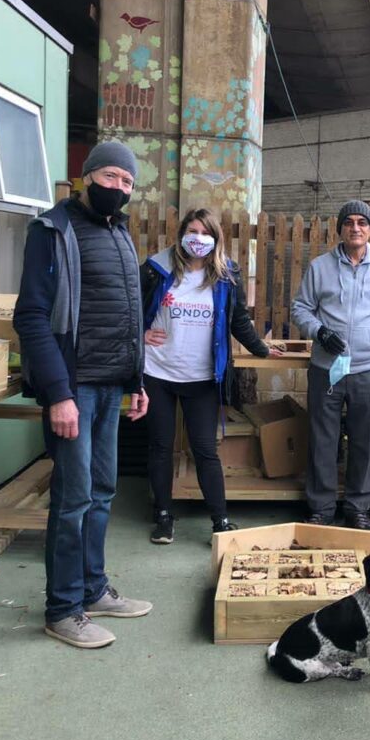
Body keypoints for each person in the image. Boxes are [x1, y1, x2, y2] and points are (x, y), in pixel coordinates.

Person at [13, 139, 152, 650]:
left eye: (128, 183)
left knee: (102, 492)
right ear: (88, 175)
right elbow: (30, 316)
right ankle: (63, 608)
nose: (120, 189)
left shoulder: (119, 235)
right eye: (112, 177)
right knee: (71, 501)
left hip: (111, 387)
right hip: (74, 390)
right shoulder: (52, 230)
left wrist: (135, 382)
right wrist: (58, 393)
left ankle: (93, 590)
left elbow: (129, 316)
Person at [139, 207, 281, 545]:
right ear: (181, 234)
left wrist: (260, 348)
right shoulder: (156, 269)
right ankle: (162, 516)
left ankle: (220, 520)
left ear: (216, 239)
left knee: (205, 449)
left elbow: (238, 321)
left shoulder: (226, 275)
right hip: (156, 371)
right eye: (192, 231)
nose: (198, 239)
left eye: (205, 233)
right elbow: (129, 307)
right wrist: (139, 333)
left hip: (202, 376)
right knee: (160, 447)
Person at [292, 200, 370, 530]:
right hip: (327, 368)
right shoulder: (320, 267)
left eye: (362, 222)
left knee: (361, 440)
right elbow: (301, 309)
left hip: (368, 369)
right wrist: (320, 331)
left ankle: (357, 508)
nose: (355, 227)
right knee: (322, 438)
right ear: (339, 229)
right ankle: (321, 508)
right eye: (348, 222)